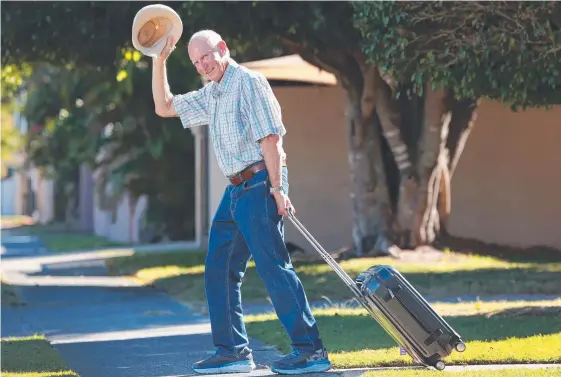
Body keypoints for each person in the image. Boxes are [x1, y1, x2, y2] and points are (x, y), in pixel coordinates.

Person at [151, 29, 331, 375]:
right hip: (235, 191)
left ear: (223, 49)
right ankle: (233, 350)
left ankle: (311, 351)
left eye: (206, 56)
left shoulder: (248, 82)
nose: (203, 65)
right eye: (195, 62)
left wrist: (278, 189)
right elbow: (164, 106)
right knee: (218, 268)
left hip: (260, 184)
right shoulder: (212, 93)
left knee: (273, 267)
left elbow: (271, 139)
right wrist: (160, 60)